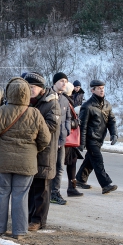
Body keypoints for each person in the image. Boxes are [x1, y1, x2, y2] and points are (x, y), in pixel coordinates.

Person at [0, 77, 51, 240]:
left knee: (0, 195)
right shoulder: (35, 113)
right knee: (21, 196)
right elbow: (45, 139)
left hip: (1, 162)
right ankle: (19, 231)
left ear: (8, 93)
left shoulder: (0, 112)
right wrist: (33, 150)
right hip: (26, 163)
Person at [22, 72, 60, 231]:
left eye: (33, 87)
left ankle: (38, 221)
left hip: (45, 151)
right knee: (31, 188)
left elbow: (51, 126)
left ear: (40, 88)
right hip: (30, 151)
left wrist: (30, 127)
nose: (30, 90)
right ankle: (30, 217)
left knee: (42, 188)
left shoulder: (51, 103)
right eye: (28, 87)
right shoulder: (30, 102)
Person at [76, 80, 118, 194]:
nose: (101, 90)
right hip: (91, 139)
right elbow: (82, 126)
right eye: (98, 88)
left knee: (90, 160)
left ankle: (80, 179)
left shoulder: (107, 105)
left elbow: (111, 121)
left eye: (102, 88)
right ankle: (105, 184)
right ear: (92, 90)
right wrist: (81, 143)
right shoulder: (87, 106)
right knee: (98, 161)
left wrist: (114, 134)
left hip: (100, 138)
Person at [50, 72, 75, 205]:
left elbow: (68, 117)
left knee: (60, 167)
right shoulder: (47, 97)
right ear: (54, 82)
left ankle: (55, 192)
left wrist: (66, 132)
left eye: (66, 81)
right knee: (49, 167)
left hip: (61, 140)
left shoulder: (65, 99)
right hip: (49, 139)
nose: (64, 83)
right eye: (61, 81)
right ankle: (46, 191)